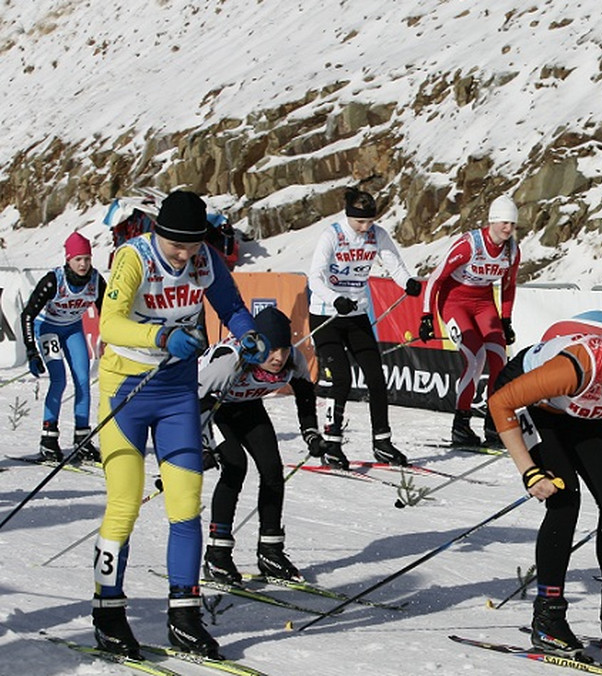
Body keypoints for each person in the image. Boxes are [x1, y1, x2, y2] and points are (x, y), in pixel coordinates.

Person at [91, 189, 269, 660]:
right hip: (126, 390)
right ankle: (108, 613)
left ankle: (184, 617)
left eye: (192, 247)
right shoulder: (135, 257)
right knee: (125, 503)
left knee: (186, 507)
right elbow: (110, 324)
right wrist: (162, 335)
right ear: (159, 234)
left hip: (175, 395)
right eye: (177, 247)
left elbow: (231, 306)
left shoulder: (205, 259)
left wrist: (248, 335)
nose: (185, 256)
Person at [488, 312, 602, 656]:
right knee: (565, 500)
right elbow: (501, 403)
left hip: (577, 408)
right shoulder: (580, 366)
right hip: (531, 401)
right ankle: (548, 617)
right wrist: (530, 472)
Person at [197, 306, 320, 585]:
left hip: (247, 405)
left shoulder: (293, 358)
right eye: (272, 349)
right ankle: (217, 555)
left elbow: (304, 391)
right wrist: (202, 446)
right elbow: (193, 399)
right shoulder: (230, 361)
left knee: (273, 470)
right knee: (235, 466)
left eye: (284, 349)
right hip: (213, 407)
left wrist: (310, 432)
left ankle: (270, 552)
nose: (278, 358)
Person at [306, 187, 421, 469]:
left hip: (356, 315)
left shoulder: (377, 234)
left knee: (376, 377)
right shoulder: (332, 235)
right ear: (349, 217)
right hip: (327, 317)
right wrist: (335, 299)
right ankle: (332, 444)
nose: (366, 227)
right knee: (342, 379)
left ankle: (382, 442)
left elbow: (394, 263)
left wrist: (407, 282)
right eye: (360, 222)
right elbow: (315, 278)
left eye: (370, 221)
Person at [419, 194, 521, 447]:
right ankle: (461, 425)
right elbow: (435, 279)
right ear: (492, 222)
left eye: (512, 224)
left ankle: (494, 424)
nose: (508, 229)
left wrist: (505, 320)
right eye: (503, 223)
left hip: (484, 304)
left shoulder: (512, 250)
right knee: (476, 358)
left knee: (499, 359)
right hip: (454, 302)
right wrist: (426, 317)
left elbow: (508, 286)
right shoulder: (470, 245)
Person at [21, 232, 107, 463]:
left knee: (82, 380)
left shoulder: (96, 280)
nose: (83, 264)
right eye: (78, 259)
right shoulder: (53, 280)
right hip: (46, 327)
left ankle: (82, 439)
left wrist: (111, 339)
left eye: (87, 259)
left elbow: (108, 313)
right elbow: (27, 314)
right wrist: (32, 351)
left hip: (72, 329)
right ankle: (48, 439)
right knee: (58, 379)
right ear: (68, 259)